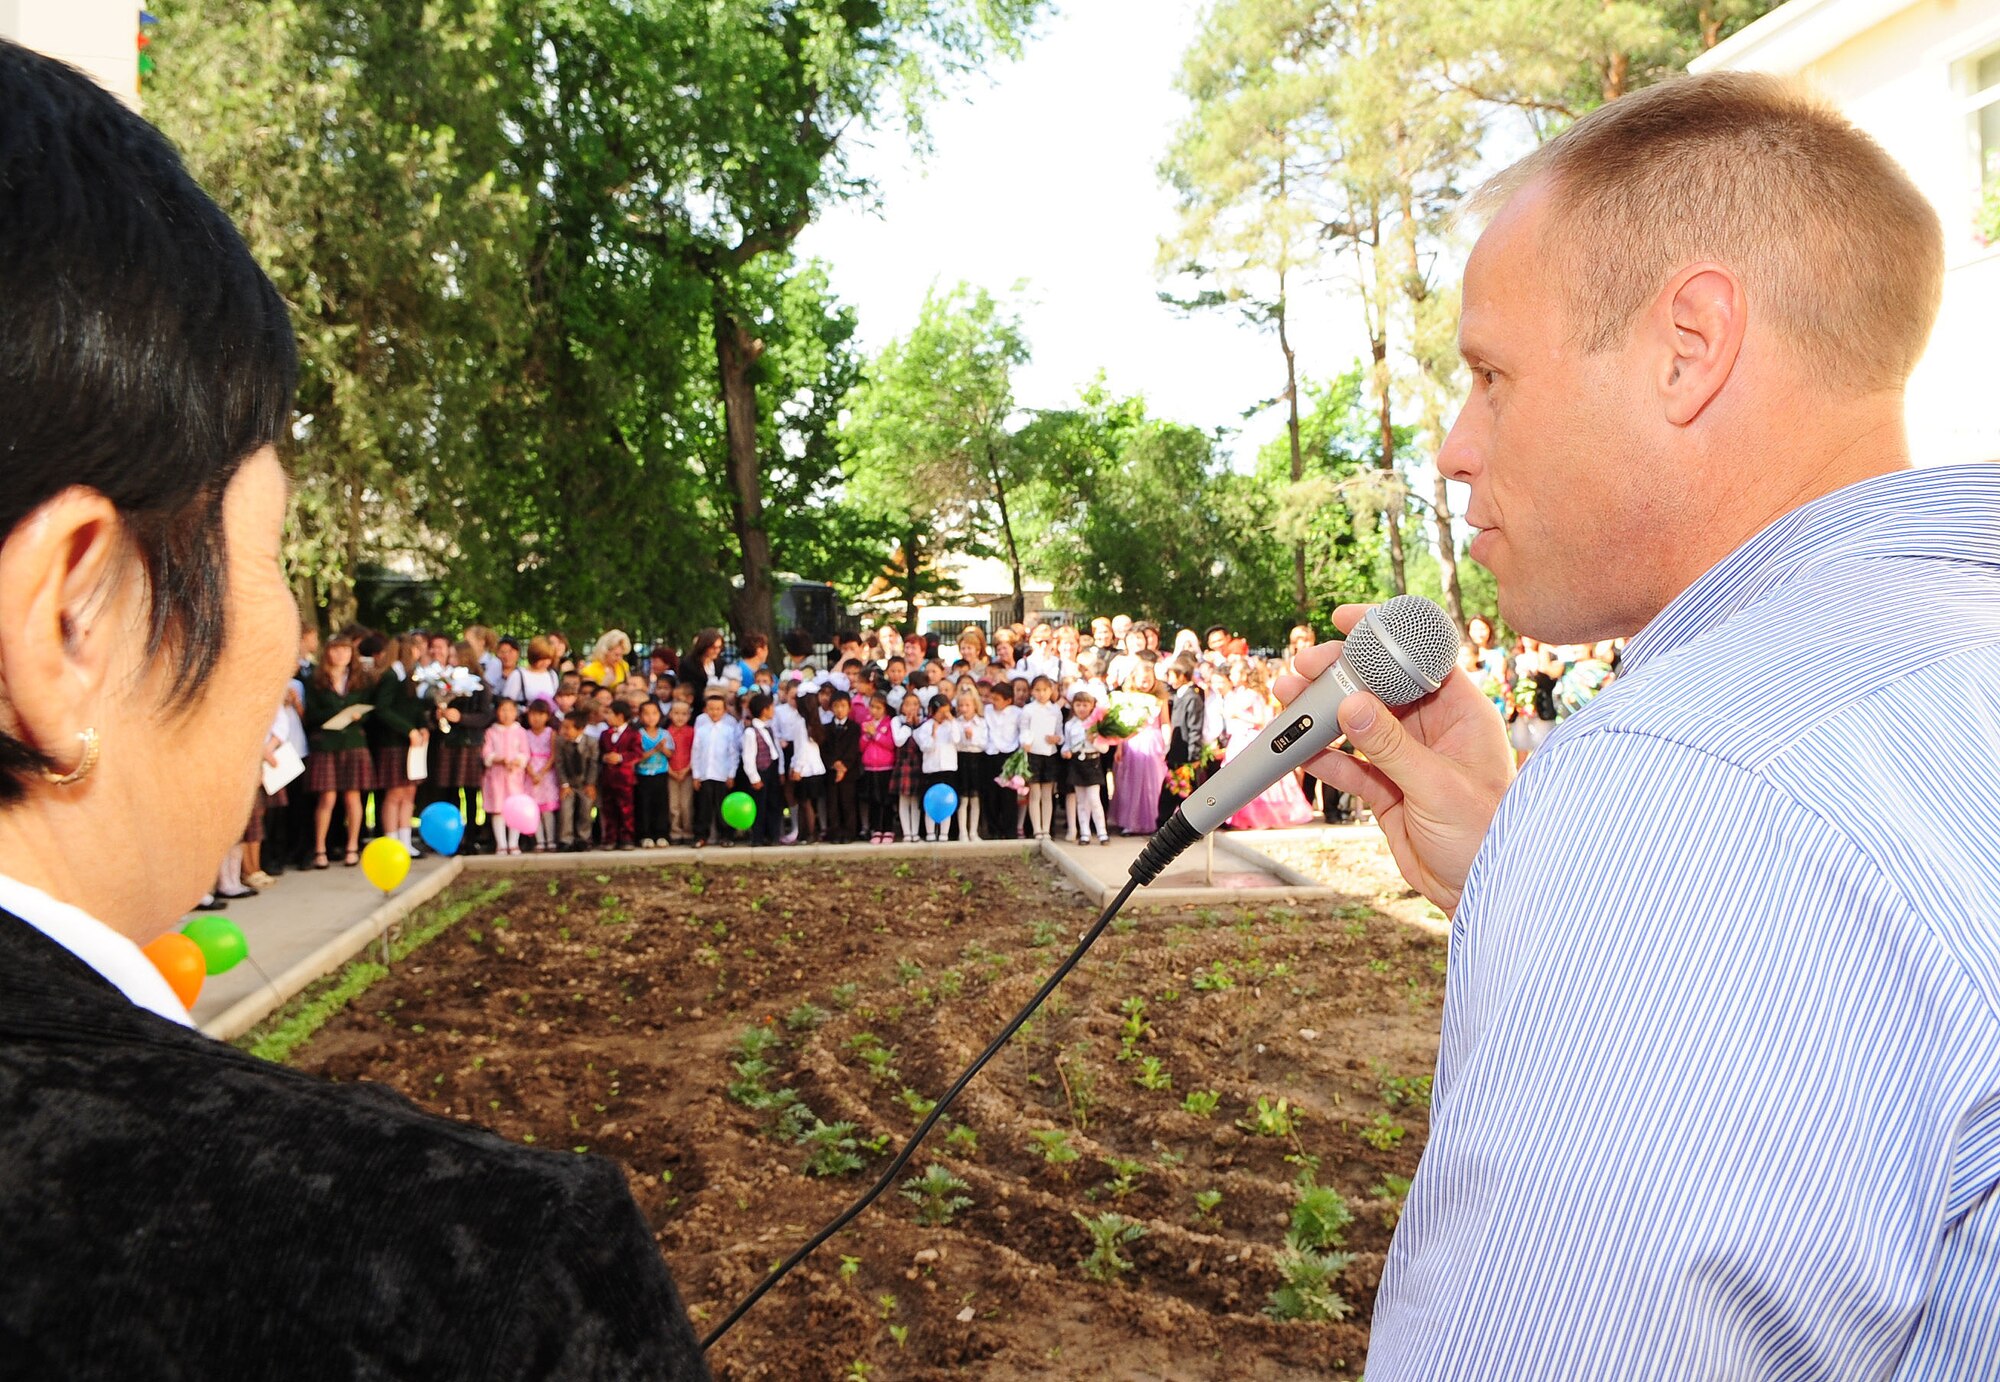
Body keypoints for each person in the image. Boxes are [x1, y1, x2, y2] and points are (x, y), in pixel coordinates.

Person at [1274, 73, 2000, 1380]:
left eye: (1492, 374)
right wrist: (1521, 859)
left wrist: (1622, 829)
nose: (1454, 445)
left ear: (1690, 346)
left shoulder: (1703, 789)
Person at [304, 633, 378, 868]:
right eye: (336, 650)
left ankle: (352, 846)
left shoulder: (360, 679)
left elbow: (370, 711)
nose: (341, 655)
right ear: (328, 653)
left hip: (353, 743)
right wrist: (334, 716)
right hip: (327, 744)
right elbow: (311, 714)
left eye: (346, 650)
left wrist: (359, 716)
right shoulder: (316, 680)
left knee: (353, 796)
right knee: (327, 797)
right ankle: (320, 849)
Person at [689, 690, 741, 847]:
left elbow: (733, 754)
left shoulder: (728, 730)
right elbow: (696, 752)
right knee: (703, 807)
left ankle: (726, 836)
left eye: (718, 709)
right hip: (705, 775)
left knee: (722, 807)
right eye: (711, 708)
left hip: (722, 775)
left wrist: (731, 774)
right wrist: (696, 775)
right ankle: (700, 836)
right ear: (705, 709)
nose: (715, 712)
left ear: (724, 710)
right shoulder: (701, 730)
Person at [480, 699, 530, 856]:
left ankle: (513, 843)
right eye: (503, 710)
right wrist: (499, 759)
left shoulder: (520, 731)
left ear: (516, 713)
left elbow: (525, 752)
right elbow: (486, 753)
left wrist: (517, 761)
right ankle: (501, 844)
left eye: (510, 710)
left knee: (515, 809)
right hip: (495, 777)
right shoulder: (491, 732)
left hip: (514, 777)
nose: (506, 714)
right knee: (498, 809)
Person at [1062, 690, 1111, 845]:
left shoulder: (1096, 724)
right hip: (1077, 763)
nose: (1081, 708)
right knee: (1081, 801)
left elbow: (1105, 748)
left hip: (1092, 763)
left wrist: (1094, 740)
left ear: (1091, 706)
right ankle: (1084, 833)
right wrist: (1066, 752)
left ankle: (1102, 832)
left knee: (1094, 799)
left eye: (1085, 705)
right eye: (1078, 705)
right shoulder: (1070, 725)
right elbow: (1067, 744)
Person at [1020, 675, 1065, 841]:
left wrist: (1057, 739)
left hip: (1049, 754)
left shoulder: (1054, 710)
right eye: (1037, 690)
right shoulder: (1028, 710)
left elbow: (1061, 734)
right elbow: (1023, 730)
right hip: (1033, 754)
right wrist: (1025, 742)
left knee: (1047, 794)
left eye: (1044, 690)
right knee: (1034, 794)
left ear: (1051, 690)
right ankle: (1036, 829)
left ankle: (1046, 829)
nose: (1041, 693)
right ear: (1032, 691)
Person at [595, 700, 639, 851]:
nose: (607, 716)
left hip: (624, 779)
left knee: (626, 809)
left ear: (620, 716)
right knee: (609, 809)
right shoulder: (605, 734)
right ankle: (610, 838)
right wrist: (605, 758)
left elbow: (637, 753)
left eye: (610, 713)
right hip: (608, 778)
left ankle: (627, 837)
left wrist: (620, 757)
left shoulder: (633, 734)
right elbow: (599, 753)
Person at [552, 709, 598, 852]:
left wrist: (590, 784)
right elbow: (559, 764)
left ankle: (583, 838)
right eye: (563, 727)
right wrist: (564, 784)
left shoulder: (591, 742)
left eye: (568, 728)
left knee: (586, 810)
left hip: (584, 783)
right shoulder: (560, 742)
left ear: (581, 729)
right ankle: (565, 839)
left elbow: (593, 764)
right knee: (566, 810)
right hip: (569, 783)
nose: (564, 731)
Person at [821, 691, 863, 842]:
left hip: (849, 773)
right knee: (832, 804)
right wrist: (834, 764)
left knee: (848, 803)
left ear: (849, 708)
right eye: (836, 706)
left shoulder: (854, 728)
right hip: (831, 772)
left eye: (843, 706)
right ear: (831, 708)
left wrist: (844, 766)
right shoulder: (826, 728)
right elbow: (824, 750)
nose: (840, 710)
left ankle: (849, 833)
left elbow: (854, 749)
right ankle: (834, 833)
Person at [632, 699, 672, 849]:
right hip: (643, 775)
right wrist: (655, 749)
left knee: (661, 805)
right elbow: (637, 757)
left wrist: (663, 749)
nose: (651, 717)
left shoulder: (665, 734)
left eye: (654, 713)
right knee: (644, 806)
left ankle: (661, 834)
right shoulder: (638, 735)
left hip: (660, 774)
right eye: (646, 714)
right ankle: (645, 835)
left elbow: (670, 753)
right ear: (640, 717)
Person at [858, 693, 898, 843]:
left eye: (878, 708)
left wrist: (875, 734)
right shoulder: (866, 723)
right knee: (873, 800)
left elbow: (890, 744)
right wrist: (867, 736)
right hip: (870, 767)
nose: (874, 711)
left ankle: (888, 829)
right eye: (872, 707)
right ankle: (876, 829)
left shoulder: (889, 723)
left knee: (886, 800)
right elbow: (861, 747)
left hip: (885, 767)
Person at [664, 698, 697, 845]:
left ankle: (688, 832)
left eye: (684, 714)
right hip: (670, 773)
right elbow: (663, 755)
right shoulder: (665, 733)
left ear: (689, 716)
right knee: (673, 805)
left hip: (687, 773)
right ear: (670, 714)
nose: (680, 717)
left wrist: (687, 769)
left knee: (686, 804)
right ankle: (675, 832)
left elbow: (695, 752)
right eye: (676, 713)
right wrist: (670, 770)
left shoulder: (692, 732)